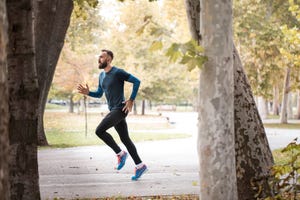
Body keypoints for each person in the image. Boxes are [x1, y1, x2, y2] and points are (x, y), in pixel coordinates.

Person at [77, 49, 147, 181]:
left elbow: (137, 81)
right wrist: (88, 92)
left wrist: (131, 99)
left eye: (102, 57)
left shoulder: (117, 72)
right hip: (113, 109)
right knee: (125, 139)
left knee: (99, 131)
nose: (99, 59)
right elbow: (99, 94)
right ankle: (140, 165)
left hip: (120, 109)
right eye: (99, 57)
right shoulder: (102, 76)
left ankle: (120, 154)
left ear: (109, 59)